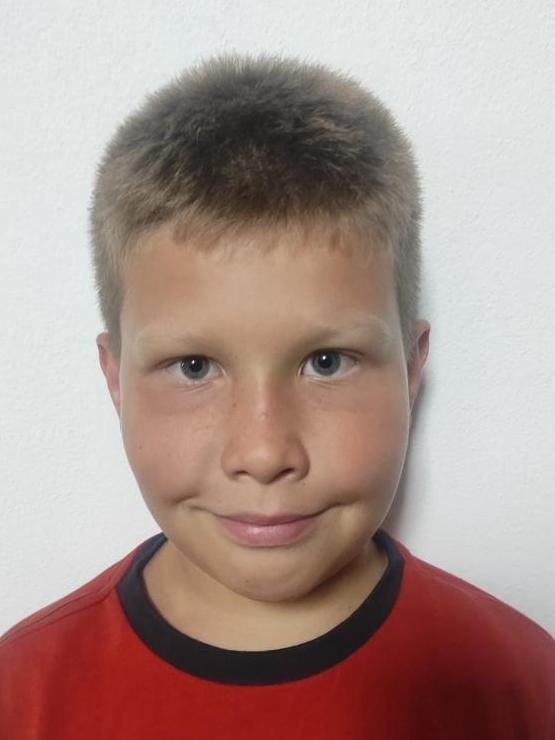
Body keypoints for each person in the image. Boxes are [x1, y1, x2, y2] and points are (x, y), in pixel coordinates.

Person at [0, 51, 553, 739]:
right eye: (194, 367)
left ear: (412, 367)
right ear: (115, 379)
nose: (263, 454)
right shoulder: (20, 697)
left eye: (326, 362)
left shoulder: (523, 685)